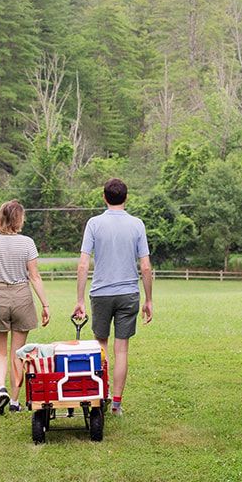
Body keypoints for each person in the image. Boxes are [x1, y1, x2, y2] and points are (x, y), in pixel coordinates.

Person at [72, 177, 152, 416]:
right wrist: (149, 300)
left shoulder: (94, 224)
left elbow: (83, 265)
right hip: (129, 294)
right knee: (122, 350)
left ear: (104, 197)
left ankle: (101, 396)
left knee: (100, 347)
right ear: (126, 198)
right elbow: (146, 267)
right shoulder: (137, 224)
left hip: (101, 294)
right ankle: (116, 404)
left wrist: (79, 300)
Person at [0, 199, 50, 416]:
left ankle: (1, 389)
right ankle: (15, 401)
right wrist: (45, 304)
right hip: (21, 296)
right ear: (19, 218)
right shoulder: (27, 243)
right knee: (18, 352)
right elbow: (34, 276)